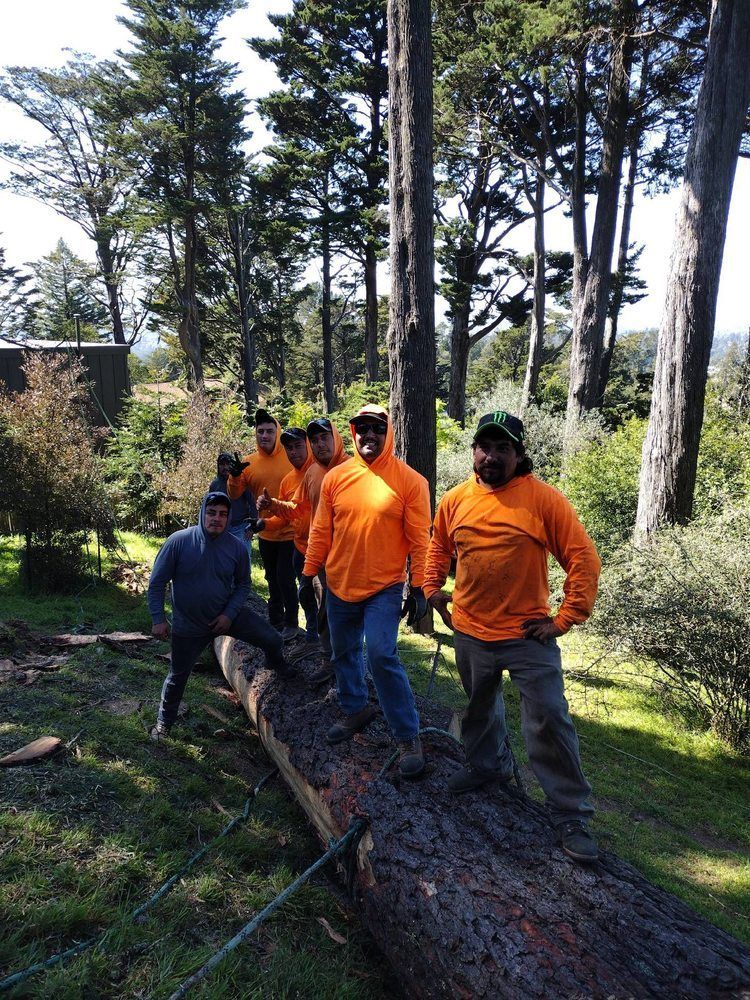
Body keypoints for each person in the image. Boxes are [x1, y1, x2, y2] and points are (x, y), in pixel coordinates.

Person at [422, 410, 602, 862]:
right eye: (485, 446)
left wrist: (565, 618)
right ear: (474, 452)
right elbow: (439, 545)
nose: (492, 456)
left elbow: (582, 557)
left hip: (528, 635)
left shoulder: (543, 500)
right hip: (469, 629)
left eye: (503, 448)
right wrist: (432, 589)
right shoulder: (456, 499)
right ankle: (488, 769)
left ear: (520, 454)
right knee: (479, 707)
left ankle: (569, 813)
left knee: (548, 719)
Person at [301, 405, 430, 778]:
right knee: (343, 653)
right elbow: (321, 530)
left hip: (384, 587)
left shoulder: (410, 481)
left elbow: (420, 541)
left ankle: (407, 735)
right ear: (352, 433)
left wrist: (420, 586)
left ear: (388, 432)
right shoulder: (336, 478)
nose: (368, 435)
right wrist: (308, 574)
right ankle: (355, 706)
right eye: (362, 429)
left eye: (376, 429)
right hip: (339, 584)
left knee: (380, 655)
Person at [146, 491, 291, 741]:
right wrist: (158, 619)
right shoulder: (179, 542)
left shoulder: (235, 547)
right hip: (189, 626)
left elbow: (244, 585)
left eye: (223, 514)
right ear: (202, 512)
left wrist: (228, 614)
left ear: (228, 517)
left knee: (274, 640)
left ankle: (276, 667)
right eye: (211, 513)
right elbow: (157, 582)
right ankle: (163, 725)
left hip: (227, 616)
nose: (216, 519)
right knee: (177, 677)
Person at [258, 417, 349, 682]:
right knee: (313, 601)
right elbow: (298, 511)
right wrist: (271, 507)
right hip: (307, 550)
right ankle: (322, 650)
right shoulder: (309, 474)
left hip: (339, 556)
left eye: (324, 438)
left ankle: (339, 662)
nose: (319, 445)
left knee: (335, 611)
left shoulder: (350, 469)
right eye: (315, 440)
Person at [226, 408, 299, 640]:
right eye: (260, 432)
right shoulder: (249, 462)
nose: (264, 436)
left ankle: (292, 623)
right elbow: (234, 494)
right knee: (271, 578)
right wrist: (235, 476)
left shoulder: (291, 457)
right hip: (265, 531)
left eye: (269, 431)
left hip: (291, 532)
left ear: (277, 433)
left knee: (286, 578)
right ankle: (275, 621)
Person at [254, 426, 316, 651]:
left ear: (308, 445)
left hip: (323, 551)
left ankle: (324, 645)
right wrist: (265, 521)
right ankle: (310, 639)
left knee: (322, 598)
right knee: (306, 594)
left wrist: (274, 507)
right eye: (289, 448)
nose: (294, 452)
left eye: (299, 446)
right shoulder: (289, 480)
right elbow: (288, 515)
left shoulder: (322, 471)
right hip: (300, 547)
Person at [209, 451, 257, 572]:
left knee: (243, 558)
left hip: (241, 526)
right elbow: (210, 507)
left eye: (227, 464)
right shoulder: (215, 484)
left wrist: (252, 527)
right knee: (222, 559)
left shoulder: (241, 482)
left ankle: (245, 587)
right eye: (221, 464)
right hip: (222, 528)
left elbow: (253, 503)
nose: (225, 467)